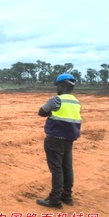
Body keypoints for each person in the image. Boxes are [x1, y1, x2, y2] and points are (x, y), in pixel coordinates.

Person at [36, 73, 82, 208]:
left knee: (56, 169)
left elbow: (41, 112)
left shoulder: (57, 100)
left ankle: (54, 199)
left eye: (57, 86)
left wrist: (50, 113)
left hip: (54, 139)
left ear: (61, 86)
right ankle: (67, 195)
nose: (57, 89)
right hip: (69, 139)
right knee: (67, 167)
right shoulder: (76, 102)